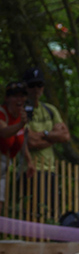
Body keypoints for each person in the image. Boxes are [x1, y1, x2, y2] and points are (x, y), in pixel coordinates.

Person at [0, 81, 35, 209]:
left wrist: (29, 162)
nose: (19, 99)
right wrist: (21, 125)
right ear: (7, 98)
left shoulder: (22, 116)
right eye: (15, 96)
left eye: (22, 96)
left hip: (6, 164)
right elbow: (4, 132)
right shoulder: (2, 113)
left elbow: (21, 140)